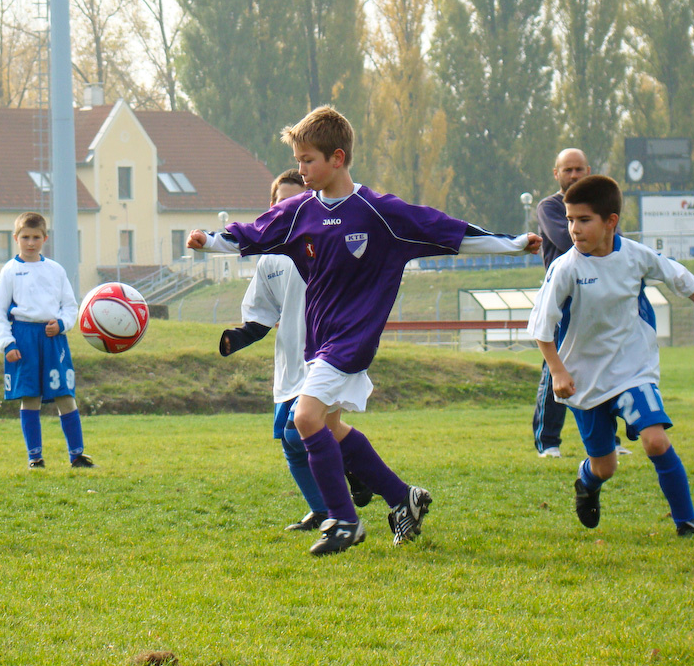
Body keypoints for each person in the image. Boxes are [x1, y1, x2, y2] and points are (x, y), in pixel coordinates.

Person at [189, 105, 541, 556]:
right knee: (331, 429)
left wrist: (512, 245)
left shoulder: (380, 212)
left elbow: (446, 231)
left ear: (338, 158)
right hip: (319, 343)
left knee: (304, 419)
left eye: (308, 160)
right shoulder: (298, 213)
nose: (300, 169)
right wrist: (208, 240)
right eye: (297, 160)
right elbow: (252, 233)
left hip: (352, 342)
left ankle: (343, 521)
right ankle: (403, 498)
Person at [527, 174, 694, 536]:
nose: (573, 229)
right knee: (605, 466)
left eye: (583, 220)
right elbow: (541, 326)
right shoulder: (566, 268)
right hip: (584, 379)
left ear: (610, 221)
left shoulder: (634, 256)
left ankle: (686, 522)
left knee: (655, 440)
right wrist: (558, 372)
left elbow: (681, 278)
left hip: (633, 371)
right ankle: (586, 483)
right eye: (569, 220)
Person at [219, 170, 372, 533]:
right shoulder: (270, 259)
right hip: (290, 364)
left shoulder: (325, 244)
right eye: (280, 202)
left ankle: (343, 506)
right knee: (292, 445)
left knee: (297, 433)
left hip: (327, 357)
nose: (286, 208)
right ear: (272, 207)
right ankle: (326, 505)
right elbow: (262, 315)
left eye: (295, 201)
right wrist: (236, 338)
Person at [531, 149, 629, 458]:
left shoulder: (602, 207)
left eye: (579, 169)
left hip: (599, 298)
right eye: (568, 170)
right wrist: (596, 234)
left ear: (589, 170)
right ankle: (547, 442)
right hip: (565, 302)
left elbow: (615, 245)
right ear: (556, 173)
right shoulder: (549, 207)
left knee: (606, 366)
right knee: (555, 370)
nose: (574, 175)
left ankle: (610, 440)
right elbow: (567, 240)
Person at [0, 212, 93, 469]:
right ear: (16, 238)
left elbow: (70, 307)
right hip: (23, 339)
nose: (30, 243)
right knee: (30, 396)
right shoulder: (10, 272)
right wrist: (7, 344)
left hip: (53, 340)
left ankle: (77, 455)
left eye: (36, 237)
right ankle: (35, 457)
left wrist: (61, 324)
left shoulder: (55, 270)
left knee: (65, 395)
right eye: (25, 237)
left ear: (45, 238)